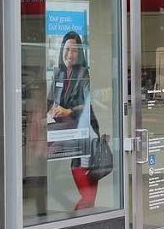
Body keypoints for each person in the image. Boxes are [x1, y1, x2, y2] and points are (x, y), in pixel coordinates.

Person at [47, 31, 100, 210]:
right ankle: (79, 216)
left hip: (83, 132)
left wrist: (68, 110)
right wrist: (45, 112)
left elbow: (88, 102)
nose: (70, 54)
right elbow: (49, 100)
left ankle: (82, 217)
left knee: (84, 182)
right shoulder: (58, 73)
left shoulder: (83, 73)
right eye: (67, 49)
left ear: (80, 54)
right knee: (53, 180)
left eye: (75, 50)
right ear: (62, 49)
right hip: (64, 131)